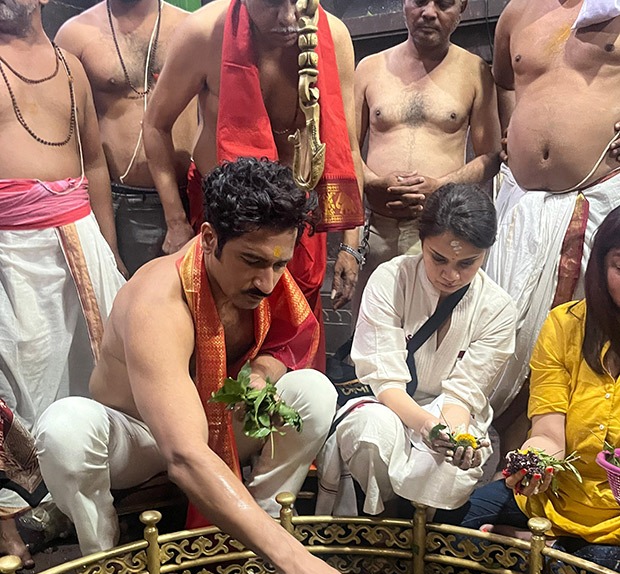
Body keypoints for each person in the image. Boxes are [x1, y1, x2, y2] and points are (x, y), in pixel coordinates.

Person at [35, 158, 366, 574]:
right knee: (64, 430)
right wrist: (297, 559)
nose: (268, 283)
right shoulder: (160, 299)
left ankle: (257, 533)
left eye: (279, 264)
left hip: (216, 421)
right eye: (251, 261)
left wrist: (261, 373)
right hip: (140, 439)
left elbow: (286, 343)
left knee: (314, 393)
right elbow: (185, 455)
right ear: (209, 238)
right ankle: (107, 569)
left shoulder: (266, 277)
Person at [142, 0, 365, 368]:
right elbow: (155, 125)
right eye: (272, 4)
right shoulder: (203, 33)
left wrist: (351, 245)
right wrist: (176, 223)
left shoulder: (334, 36)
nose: (288, 19)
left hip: (299, 217)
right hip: (225, 219)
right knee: (222, 331)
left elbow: (348, 145)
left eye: (297, 2)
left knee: (295, 343)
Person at [0, 0, 125, 566]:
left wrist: (111, 251)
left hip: (80, 241)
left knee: (96, 374)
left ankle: (84, 503)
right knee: (14, 380)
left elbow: (94, 162)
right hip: (9, 250)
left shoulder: (69, 64)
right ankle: (11, 525)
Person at [437, 206, 620, 573]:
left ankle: (544, 549)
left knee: (606, 566)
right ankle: (557, 555)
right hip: (554, 500)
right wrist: (536, 463)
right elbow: (549, 432)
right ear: (600, 266)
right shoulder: (566, 325)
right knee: (448, 529)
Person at [317, 184, 516, 516]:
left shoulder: (498, 309)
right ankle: (380, 523)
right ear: (421, 241)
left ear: (487, 251)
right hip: (386, 403)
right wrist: (426, 427)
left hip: (449, 411)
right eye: (438, 258)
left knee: (455, 461)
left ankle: (426, 536)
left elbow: (464, 395)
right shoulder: (390, 279)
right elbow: (387, 383)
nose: (450, 275)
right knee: (371, 432)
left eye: (467, 263)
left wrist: (452, 435)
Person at [486, 0, 620, 423]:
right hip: (519, 205)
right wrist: (512, 130)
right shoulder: (516, 12)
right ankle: (508, 468)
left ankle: (581, 465)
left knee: (590, 343)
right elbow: (505, 81)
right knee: (501, 343)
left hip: (600, 195)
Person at [352, 0, 501, 322]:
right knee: (370, 330)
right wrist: (373, 182)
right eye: (419, 1)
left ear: (461, 8)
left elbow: (490, 156)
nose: (429, 12)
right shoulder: (369, 68)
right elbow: (346, 147)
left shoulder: (475, 71)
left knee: (431, 330)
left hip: (440, 230)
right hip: (378, 227)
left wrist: (442, 187)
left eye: (445, 3)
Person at [55, 0, 196, 276]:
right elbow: (69, 138)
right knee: (126, 305)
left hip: (193, 198)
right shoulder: (75, 36)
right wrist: (106, 241)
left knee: (193, 310)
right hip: (120, 207)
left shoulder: (191, 27)